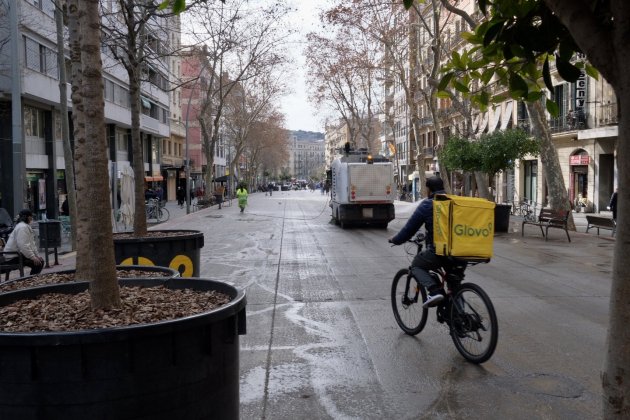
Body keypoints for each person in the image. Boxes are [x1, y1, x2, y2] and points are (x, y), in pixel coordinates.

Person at [388, 176, 450, 308]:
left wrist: (396, 240)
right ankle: (458, 317)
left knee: (417, 265)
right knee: (454, 286)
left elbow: (409, 229)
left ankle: (434, 291)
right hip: (462, 252)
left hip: (440, 251)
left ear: (429, 189)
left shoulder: (428, 205)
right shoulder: (454, 202)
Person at [3, 209, 44, 276]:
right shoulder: (22, 227)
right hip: (13, 257)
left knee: (39, 261)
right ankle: (31, 281)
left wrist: (37, 256)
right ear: (27, 217)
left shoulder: (25, 226)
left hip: (18, 255)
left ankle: (32, 281)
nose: (32, 218)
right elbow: (23, 245)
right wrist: (33, 257)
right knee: (38, 263)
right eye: (30, 217)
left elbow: (32, 244)